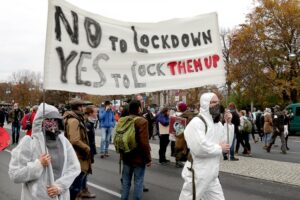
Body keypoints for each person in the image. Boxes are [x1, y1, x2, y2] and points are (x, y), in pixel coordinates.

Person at [8, 103, 80, 199]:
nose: (52, 123)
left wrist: (59, 186)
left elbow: (74, 168)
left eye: (55, 120)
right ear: (40, 121)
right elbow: (15, 174)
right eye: (48, 119)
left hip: (60, 196)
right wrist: (38, 164)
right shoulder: (29, 142)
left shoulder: (64, 142)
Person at [179, 92, 234, 200]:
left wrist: (229, 124)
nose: (217, 104)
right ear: (205, 104)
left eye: (218, 102)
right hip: (198, 173)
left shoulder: (217, 124)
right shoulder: (196, 123)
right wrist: (219, 148)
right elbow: (199, 148)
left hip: (212, 174)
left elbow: (226, 144)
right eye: (213, 102)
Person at [120, 100, 151, 200]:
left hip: (126, 155)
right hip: (139, 157)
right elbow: (144, 143)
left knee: (126, 181)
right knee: (138, 181)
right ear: (139, 108)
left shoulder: (124, 119)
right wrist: (148, 159)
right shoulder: (142, 121)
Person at [64, 98, 92, 200]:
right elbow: (74, 140)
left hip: (75, 155)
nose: (84, 108)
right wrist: (87, 148)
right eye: (82, 106)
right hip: (77, 156)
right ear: (79, 107)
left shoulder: (73, 118)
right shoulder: (74, 120)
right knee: (75, 186)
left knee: (75, 184)